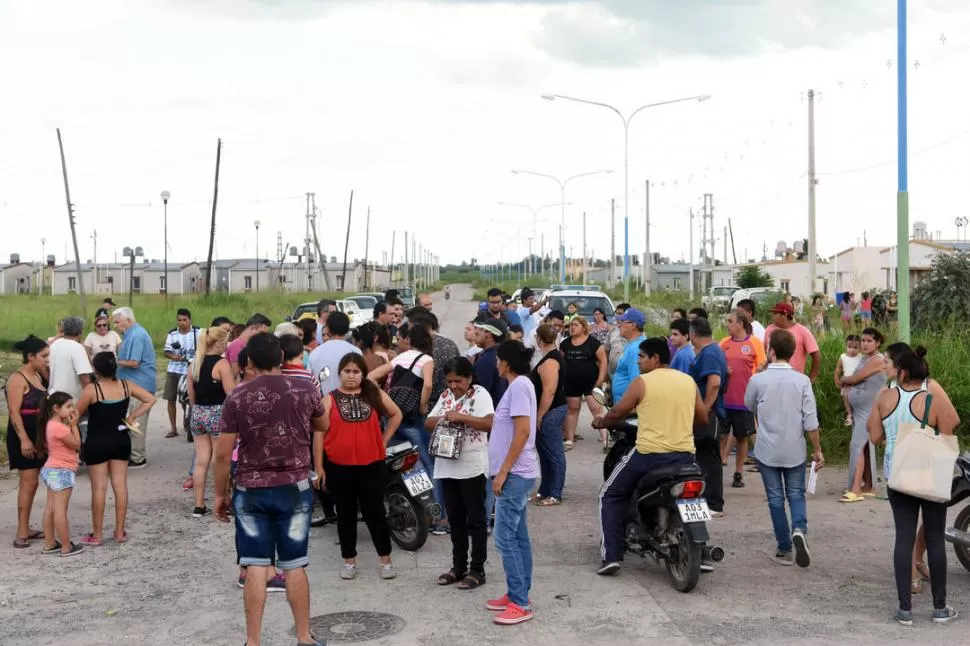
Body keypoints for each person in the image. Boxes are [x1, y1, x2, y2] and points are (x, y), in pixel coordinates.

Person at [213, 333, 327, 646]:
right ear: (281, 359)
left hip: (250, 489)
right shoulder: (304, 388)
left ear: (248, 361)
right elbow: (323, 424)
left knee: (254, 564)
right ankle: (304, 636)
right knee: (295, 565)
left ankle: (253, 641)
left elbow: (223, 454)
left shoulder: (237, 396)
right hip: (294, 487)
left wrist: (220, 494)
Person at [593, 337, 707, 576]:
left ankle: (611, 556)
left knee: (610, 494)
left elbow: (617, 412)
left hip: (648, 455)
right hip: (685, 456)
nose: (639, 361)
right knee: (693, 498)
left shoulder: (642, 382)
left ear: (655, 358)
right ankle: (703, 552)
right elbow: (703, 418)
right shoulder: (688, 381)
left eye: (641, 357)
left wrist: (602, 421)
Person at [867, 346, 960, 626]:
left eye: (886, 363)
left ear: (901, 370)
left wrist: (895, 438)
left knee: (903, 538)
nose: (883, 367)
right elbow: (950, 425)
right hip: (930, 472)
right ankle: (940, 609)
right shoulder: (931, 392)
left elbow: (873, 435)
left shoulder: (884, 396)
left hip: (898, 474)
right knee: (934, 539)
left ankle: (905, 609)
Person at [317, 353, 402, 581]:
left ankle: (385, 561)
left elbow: (396, 414)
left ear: (363, 373)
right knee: (345, 514)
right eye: (347, 371)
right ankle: (349, 562)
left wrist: (383, 441)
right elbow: (318, 433)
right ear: (340, 373)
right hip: (338, 466)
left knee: (375, 513)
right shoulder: (329, 399)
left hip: (372, 465)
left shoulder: (373, 394)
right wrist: (318, 467)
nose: (352, 376)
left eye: (356, 371)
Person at [744, 328, 824, 567]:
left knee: (775, 498)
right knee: (796, 494)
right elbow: (811, 421)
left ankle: (784, 548)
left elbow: (749, 405)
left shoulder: (758, 380)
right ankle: (799, 528)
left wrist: (760, 373)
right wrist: (817, 449)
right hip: (795, 449)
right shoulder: (801, 381)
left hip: (767, 448)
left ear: (771, 351)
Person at [426, 357, 495, 590]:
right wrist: (444, 417)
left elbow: (489, 423)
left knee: (475, 520)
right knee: (455, 519)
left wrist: (462, 417)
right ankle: (458, 566)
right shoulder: (445, 396)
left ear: (469, 378)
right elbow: (428, 422)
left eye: (458, 381)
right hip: (447, 465)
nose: (453, 385)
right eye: (450, 381)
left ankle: (477, 570)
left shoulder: (480, 394)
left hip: (472, 465)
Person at [369, 324, 446, 532]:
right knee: (429, 464)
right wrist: (423, 407)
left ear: (410, 341)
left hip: (392, 417)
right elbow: (428, 385)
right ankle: (439, 518)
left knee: (403, 463)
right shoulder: (427, 359)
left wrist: (381, 398)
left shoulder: (400, 358)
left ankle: (409, 509)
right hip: (412, 419)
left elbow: (370, 377)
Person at [75, 352, 156, 545]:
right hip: (120, 439)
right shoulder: (126, 386)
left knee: (99, 488)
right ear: (115, 368)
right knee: (120, 486)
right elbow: (150, 399)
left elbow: (75, 415)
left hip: (96, 441)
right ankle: (119, 532)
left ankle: (97, 534)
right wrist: (132, 416)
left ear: (95, 369)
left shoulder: (92, 390)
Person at [486, 341, 540, 626]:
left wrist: (504, 470)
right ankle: (517, 594)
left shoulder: (519, 386)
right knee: (517, 536)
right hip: (518, 471)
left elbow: (522, 431)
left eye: (498, 360)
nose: (496, 364)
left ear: (506, 362)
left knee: (504, 537)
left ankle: (520, 603)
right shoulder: (521, 385)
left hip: (516, 473)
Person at [186, 326, 235, 517]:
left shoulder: (194, 364)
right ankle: (222, 499)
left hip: (198, 412)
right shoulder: (222, 364)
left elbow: (191, 394)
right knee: (219, 459)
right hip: (217, 412)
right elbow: (231, 394)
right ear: (220, 343)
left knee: (201, 460)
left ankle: (199, 505)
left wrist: (197, 410)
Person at [7, 335, 50, 549]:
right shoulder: (17, 379)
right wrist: (24, 439)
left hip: (39, 434)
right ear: (30, 356)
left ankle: (27, 527)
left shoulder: (39, 376)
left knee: (34, 483)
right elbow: (14, 412)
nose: (47, 360)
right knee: (28, 482)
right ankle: (21, 531)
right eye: (43, 356)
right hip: (24, 434)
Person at [718, 310, 766, 488]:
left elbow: (762, 368)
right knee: (721, 436)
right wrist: (724, 371)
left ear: (740, 324)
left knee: (741, 438)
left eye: (730, 321)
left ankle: (738, 472)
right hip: (724, 399)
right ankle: (717, 472)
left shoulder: (754, 343)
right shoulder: (723, 343)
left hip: (744, 400)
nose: (727, 324)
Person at [838, 327, 886, 503]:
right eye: (863, 341)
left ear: (878, 343)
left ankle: (856, 488)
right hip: (859, 410)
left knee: (857, 445)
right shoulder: (864, 358)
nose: (864, 344)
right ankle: (868, 486)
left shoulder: (877, 360)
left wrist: (843, 381)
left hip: (868, 410)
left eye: (869, 341)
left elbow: (854, 379)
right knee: (864, 447)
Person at [688, 317, 728, 517]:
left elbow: (714, 382)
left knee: (708, 458)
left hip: (709, 415)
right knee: (703, 457)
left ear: (693, 334)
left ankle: (713, 504)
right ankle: (708, 501)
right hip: (708, 413)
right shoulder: (713, 351)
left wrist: (704, 408)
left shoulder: (710, 353)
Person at [38, 391, 84, 557]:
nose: (72, 409)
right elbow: (77, 445)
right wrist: (74, 425)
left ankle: (50, 543)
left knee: (51, 507)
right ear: (56, 408)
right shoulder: (61, 428)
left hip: (51, 469)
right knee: (60, 510)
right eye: (68, 406)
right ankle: (66, 546)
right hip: (62, 470)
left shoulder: (51, 424)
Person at [113, 307, 157, 469]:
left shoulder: (136, 335)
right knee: (130, 419)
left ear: (128, 320)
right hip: (132, 384)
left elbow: (133, 362)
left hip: (139, 385)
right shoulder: (130, 334)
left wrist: (114, 361)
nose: (116, 326)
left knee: (136, 421)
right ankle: (133, 453)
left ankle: (138, 458)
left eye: (118, 322)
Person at [529, 324, 568, 505]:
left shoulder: (551, 361)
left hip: (551, 411)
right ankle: (544, 490)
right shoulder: (550, 357)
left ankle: (555, 493)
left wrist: (540, 415)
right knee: (544, 453)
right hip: (549, 411)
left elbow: (549, 391)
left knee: (554, 453)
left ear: (539, 338)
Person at [560, 316, 607, 451]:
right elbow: (561, 362)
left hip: (590, 383)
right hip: (571, 383)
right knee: (572, 410)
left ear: (584, 327)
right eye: (571, 325)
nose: (572, 328)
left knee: (597, 410)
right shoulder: (565, 344)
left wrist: (601, 379)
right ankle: (569, 439)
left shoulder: (593, 343)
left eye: (576, 325)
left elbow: (603, 361)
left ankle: (605, 440)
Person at [163, 308, 198, 439]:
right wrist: (173, 356)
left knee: (189, 398)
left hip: (191, 369)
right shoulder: (172, 334)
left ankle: (188, 417)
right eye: (179, 320)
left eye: (185, 320)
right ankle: (173, 428)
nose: (182, 322)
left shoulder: (198, 332)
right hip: (174, 370)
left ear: (190, 320)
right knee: (170, 398)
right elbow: (166, 351)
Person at [764, 302, 821, 383]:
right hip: (772, 380)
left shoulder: (802, 331)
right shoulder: (769, 329)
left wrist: (811, 379)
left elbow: (816, 355)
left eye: (775, 313)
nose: (772, 316)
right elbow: (764, 353)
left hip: (795, 381)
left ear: (784, 315)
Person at [308, 311, 361, 396]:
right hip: (351, 403)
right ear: (347, 329)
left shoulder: (315, 353)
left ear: (327, 329)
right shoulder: (356, 352)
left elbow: (311, 384)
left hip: (324, 404)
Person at [47, 316, 93, 402]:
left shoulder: (54, 344)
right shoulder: (77, 348)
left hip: (53, 396)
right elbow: (84, 377)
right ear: (80, 332)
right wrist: (90, 399)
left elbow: (46, 369)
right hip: (71, 400)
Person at [609, 308, 647, 403]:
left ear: (633, 325)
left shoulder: (636, 349)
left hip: (628, 410)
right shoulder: (631, 344)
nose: (619, 325)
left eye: (622, 322)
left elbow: (636, 382)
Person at [473, 318, 509, 406]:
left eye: (481, 330)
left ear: (488, 334)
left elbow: (480, 395)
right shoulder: (503, 355)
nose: (477, 332)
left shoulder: (486, 360)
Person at [834, 335, 863, 426]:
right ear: (846, 346)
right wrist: (836, 379)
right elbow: (838, 368)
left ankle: (859, 413)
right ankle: (849, 414)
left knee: (858, 397)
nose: (852, 349)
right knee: (845, 396)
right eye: (849, 347)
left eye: (855, 347)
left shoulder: (861, 357)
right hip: (847, 382)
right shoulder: (843, 357)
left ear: (860, 348)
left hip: (859, 382)